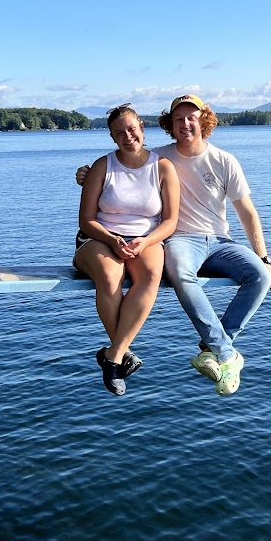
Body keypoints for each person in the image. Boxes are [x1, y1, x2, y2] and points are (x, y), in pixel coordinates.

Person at [78, 93, 271, 396]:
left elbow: (247, 212)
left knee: (260, 277)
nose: (185, 124)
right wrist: (87, 174)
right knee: (180, 275)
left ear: (204, 120)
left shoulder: (224, 161)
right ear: (169, 126)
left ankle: (216, 344)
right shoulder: (158, 157)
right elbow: (126, 162)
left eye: (192, 117)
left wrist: (264, 259)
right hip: (179, 240)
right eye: (178, 119)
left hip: (219, 240)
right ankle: (225, 354)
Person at [75, 104, 180, 395]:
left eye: (131, 129)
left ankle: (113, 356)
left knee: (150, 275)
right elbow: (86, 219)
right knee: (110, 276)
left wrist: (145, 242)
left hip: (145, 239)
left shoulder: (162, 167)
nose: (127, 136)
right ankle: (122, 355)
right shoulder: (102, 166)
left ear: (142, 128)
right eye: (119, 133)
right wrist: (111, 240)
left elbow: (170, 220)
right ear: (112, 138)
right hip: (97, 238)